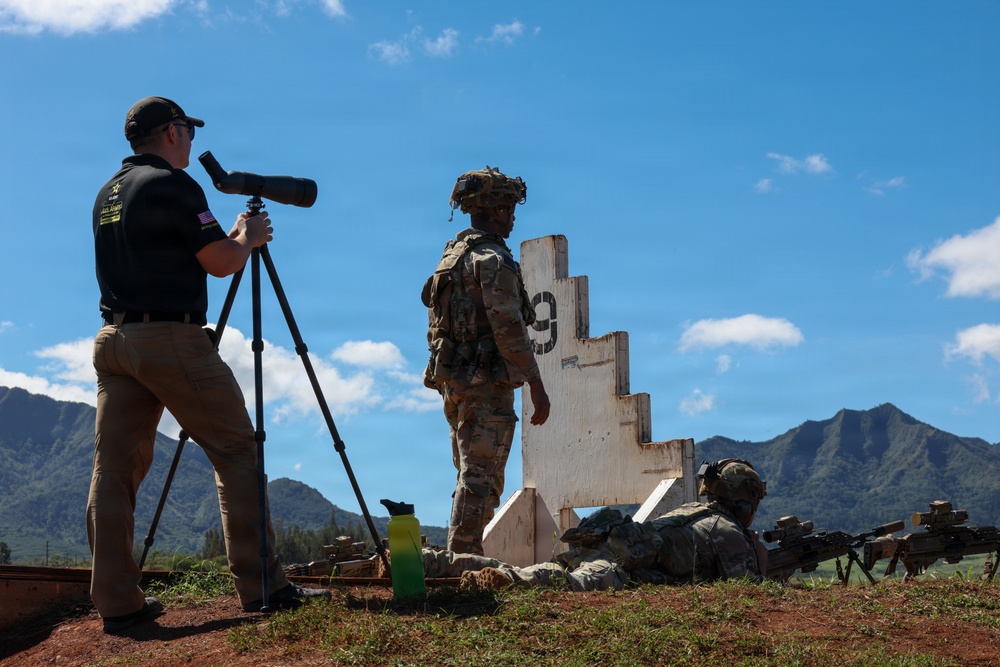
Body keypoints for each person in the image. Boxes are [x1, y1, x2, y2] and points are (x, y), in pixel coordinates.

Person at [88, 96, 329, 633]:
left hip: (114, 339)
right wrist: (248, 237)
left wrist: (235, 236)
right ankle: (263, 585)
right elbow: (220, 262)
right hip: (169, 338)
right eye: (188, 131)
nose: (191, 141)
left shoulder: (109, 192)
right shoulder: (174, 185)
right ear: (172, 132)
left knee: (114, 472)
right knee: (237, 450)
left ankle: (117, 602)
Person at [421, 166, 551, 555]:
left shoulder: (452, 258)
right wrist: (536, 384)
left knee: (470, 474)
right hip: (486, 384)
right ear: (496, 210)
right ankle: (462, 562)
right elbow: (508, 327)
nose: (513, 217)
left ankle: (462, 557)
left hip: (456, 383)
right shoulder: (493, 259)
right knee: (481, 477)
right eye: (509, 208)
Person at [421, 458, 768, 590]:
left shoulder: (692, 510)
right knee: (568, 584)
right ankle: (507, 583)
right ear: (744, 501)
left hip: (601, 547)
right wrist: (762, 563)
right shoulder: (727, 531)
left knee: (529, 568)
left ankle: (434, 562)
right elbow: (746, 589)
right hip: (619, 567)